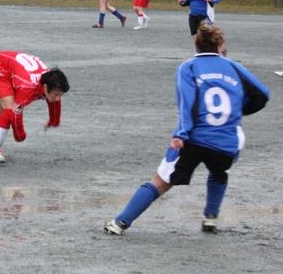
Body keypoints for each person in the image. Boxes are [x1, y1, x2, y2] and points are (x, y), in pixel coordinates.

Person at [104, 25, 269, 235]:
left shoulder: (189, 67)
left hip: (194, 139)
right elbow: (262, 94)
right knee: (219, 172)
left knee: (160, 182)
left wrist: (181, 134)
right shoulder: (234, 67)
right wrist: (238, 111)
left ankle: (119, 223)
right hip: (227, 142)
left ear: (197, 45)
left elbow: (188, 102)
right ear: (219, 46)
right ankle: (210, 218)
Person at [0, 51, 69, 164]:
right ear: (45, 87)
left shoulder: (49, 82)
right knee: (8, 110)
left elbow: (54, 99)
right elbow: (15, 112)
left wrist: (54, 119)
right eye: (57, 94)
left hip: (9, 68)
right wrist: (20, 135)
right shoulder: (28, 87)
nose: (58, 98)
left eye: (60, 95)